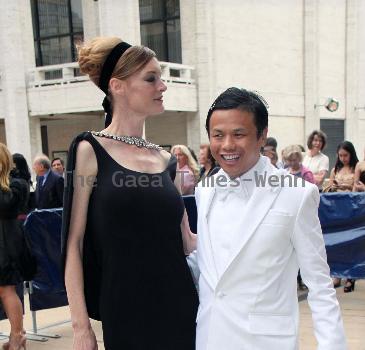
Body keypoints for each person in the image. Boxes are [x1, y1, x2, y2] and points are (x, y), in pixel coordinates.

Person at [62, 37, 198, 350]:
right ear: (118, 86)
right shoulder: (89, 150)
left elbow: (187, 241)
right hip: (125, 310)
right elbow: (74, 243)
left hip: (180, 305)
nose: (162, 86)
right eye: (151, 78)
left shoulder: (167, 161)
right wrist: (81, 328)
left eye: (161, 78)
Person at [194, 88, 346, 350]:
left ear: (262, 135)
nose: (227, 145)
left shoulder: (297, 194)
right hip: (209, 338)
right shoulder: (204, 191)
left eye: (239, 134)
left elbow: (319, 285)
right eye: (218, 135)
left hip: (264, 342)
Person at [0, 143, 36, 350]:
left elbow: (5, 206)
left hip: (7, 243)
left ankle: (17, 336)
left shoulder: (16, 184)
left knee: (7, 289)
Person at [326, 141, 359, 293]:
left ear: (351, 154)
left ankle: (350, 277)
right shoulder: (335, 169)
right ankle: (336, 274)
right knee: (337, 242)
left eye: (346, 155)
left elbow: (356, 188)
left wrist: (346, 187)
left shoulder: (357, 167)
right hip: (337, 208)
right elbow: (328, 188)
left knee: (352, 243)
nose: (343, 158)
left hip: (352, 208)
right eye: (341, 155)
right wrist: (333, 186)